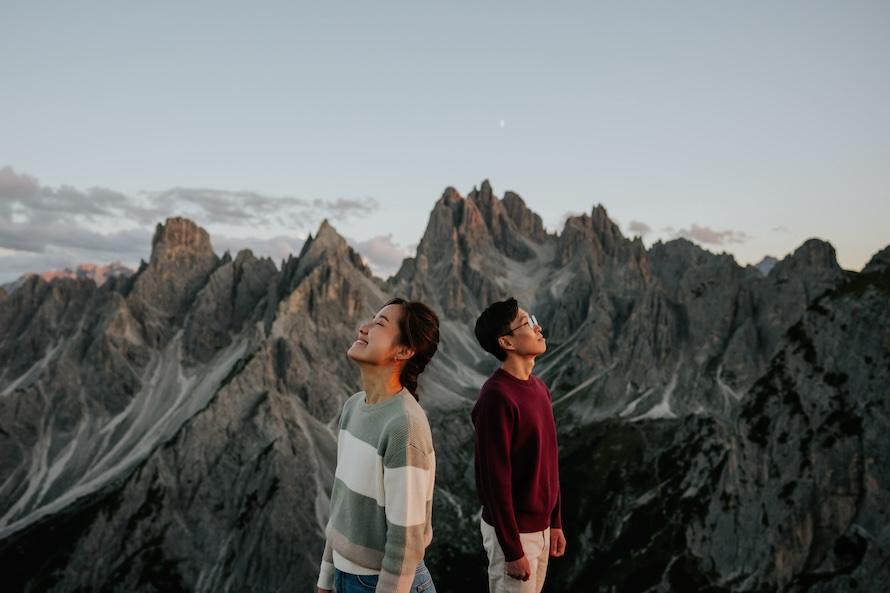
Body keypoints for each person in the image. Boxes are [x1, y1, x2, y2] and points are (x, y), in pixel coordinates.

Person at [316, 298, 440, 593]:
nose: (363, 328)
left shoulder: (404, 426)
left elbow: (405, 544)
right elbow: (342, 505)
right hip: (346, 580)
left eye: (379, 324)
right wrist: (326, 578)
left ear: (404, 351)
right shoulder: (353, 407)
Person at [472, 297, 566, 593]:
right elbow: (494, 480)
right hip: (513, 537)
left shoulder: (540, 389)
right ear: (507, 343)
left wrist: (556, 521)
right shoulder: (496, 396)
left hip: (540, 530)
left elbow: (549, 461)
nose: (538, 328)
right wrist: (512, 550)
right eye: (527, 323)